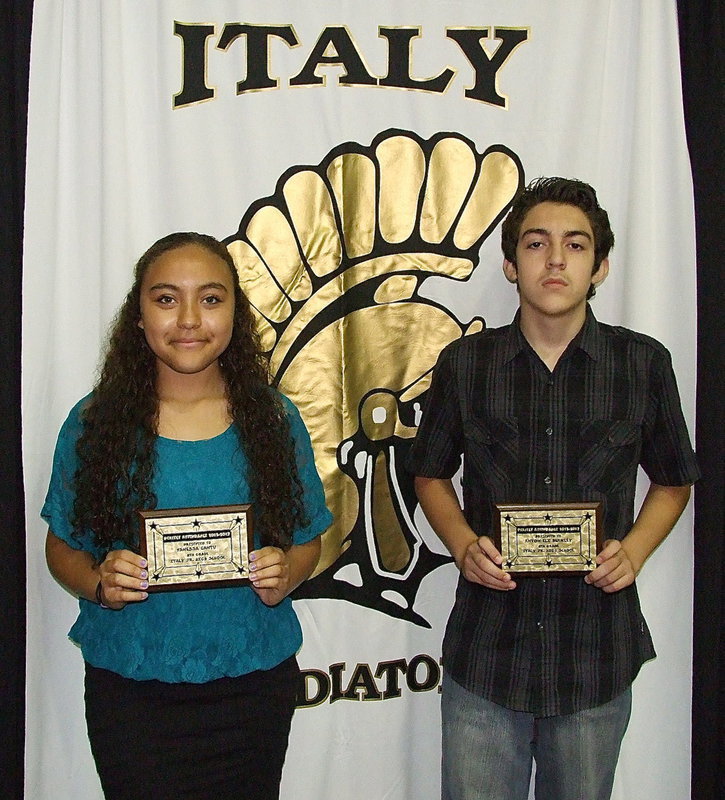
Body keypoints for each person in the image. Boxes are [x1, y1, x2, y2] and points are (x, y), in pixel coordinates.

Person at [408, 177, 700, 800]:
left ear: (600, 266)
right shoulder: (465, 364)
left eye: (576, 244)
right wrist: (461, 544)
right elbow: (428, 473)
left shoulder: (643, 364)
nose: (557, 259)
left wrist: (637, 550)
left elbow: (675, 480)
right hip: (487, 652)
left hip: (595, 652)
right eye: (537, 244)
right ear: (511, 266)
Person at [43, 232, 332, 800]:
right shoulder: (95, 421)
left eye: (212, 298)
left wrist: (286, 574)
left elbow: (307, 541)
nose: (190, 320)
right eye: (167, 299)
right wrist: (99, 584)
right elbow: (61, 549)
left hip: (252, 688)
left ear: (234, 313)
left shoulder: (275, 419)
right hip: (132, 693)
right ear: (139, 313)